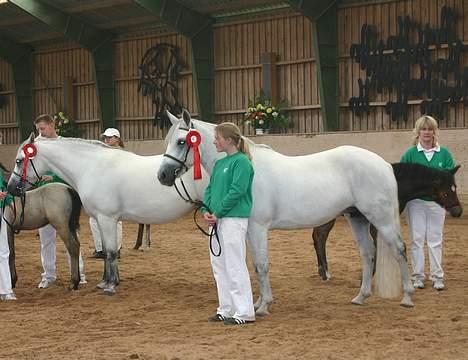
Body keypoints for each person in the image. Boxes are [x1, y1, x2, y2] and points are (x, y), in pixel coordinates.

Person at [202, 122, 255, 326]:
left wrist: (218, 212)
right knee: (219, 265)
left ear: (229, 140)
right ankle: (226, 308)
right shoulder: (219, 164)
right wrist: (206, 210)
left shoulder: (241, 162)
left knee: (234, 264)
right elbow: (209, 190)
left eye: (218, 138)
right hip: (217, 219)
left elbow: (237, 191)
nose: (215, 141)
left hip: (233, 219)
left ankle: (244, 311)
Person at [401, 115, 456, 291]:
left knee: (435, 240)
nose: (427, 132)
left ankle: (437, 276)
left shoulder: (444, 154)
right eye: (423, 129)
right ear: (418, 132)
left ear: (434, 132)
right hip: (415, 203)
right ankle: (417, 276)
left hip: (437, 204)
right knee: (417, 240)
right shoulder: (410, 154)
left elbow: (449, 179)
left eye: (430, 129)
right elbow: (402, 177)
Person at [34, 114, 87, 288]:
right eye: (38, 130)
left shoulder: (65, 144)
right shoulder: (38, 145)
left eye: (42, 128)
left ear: (51, 125)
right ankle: (48, 275)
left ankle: (79, 272)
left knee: (71, 234)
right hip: (44, 197)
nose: (40, 132)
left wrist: (54, 176)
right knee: (46, 238)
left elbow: (72, 170)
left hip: (65, 196)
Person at [89, 128, 123, 258]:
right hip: (102, 189)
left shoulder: (120, 154)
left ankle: (116, 249)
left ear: (117, 139)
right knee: (94, 219)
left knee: (116, 221)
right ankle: (100, 248)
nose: (107, 139)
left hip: (116, 190)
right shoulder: (101, 153)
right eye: (105, 137)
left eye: (110, 137)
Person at [0, 164, 16, 300]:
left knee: (4, 251)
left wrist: (9, 199)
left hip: (1, 210)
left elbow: (3, 187)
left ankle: (5, 289)